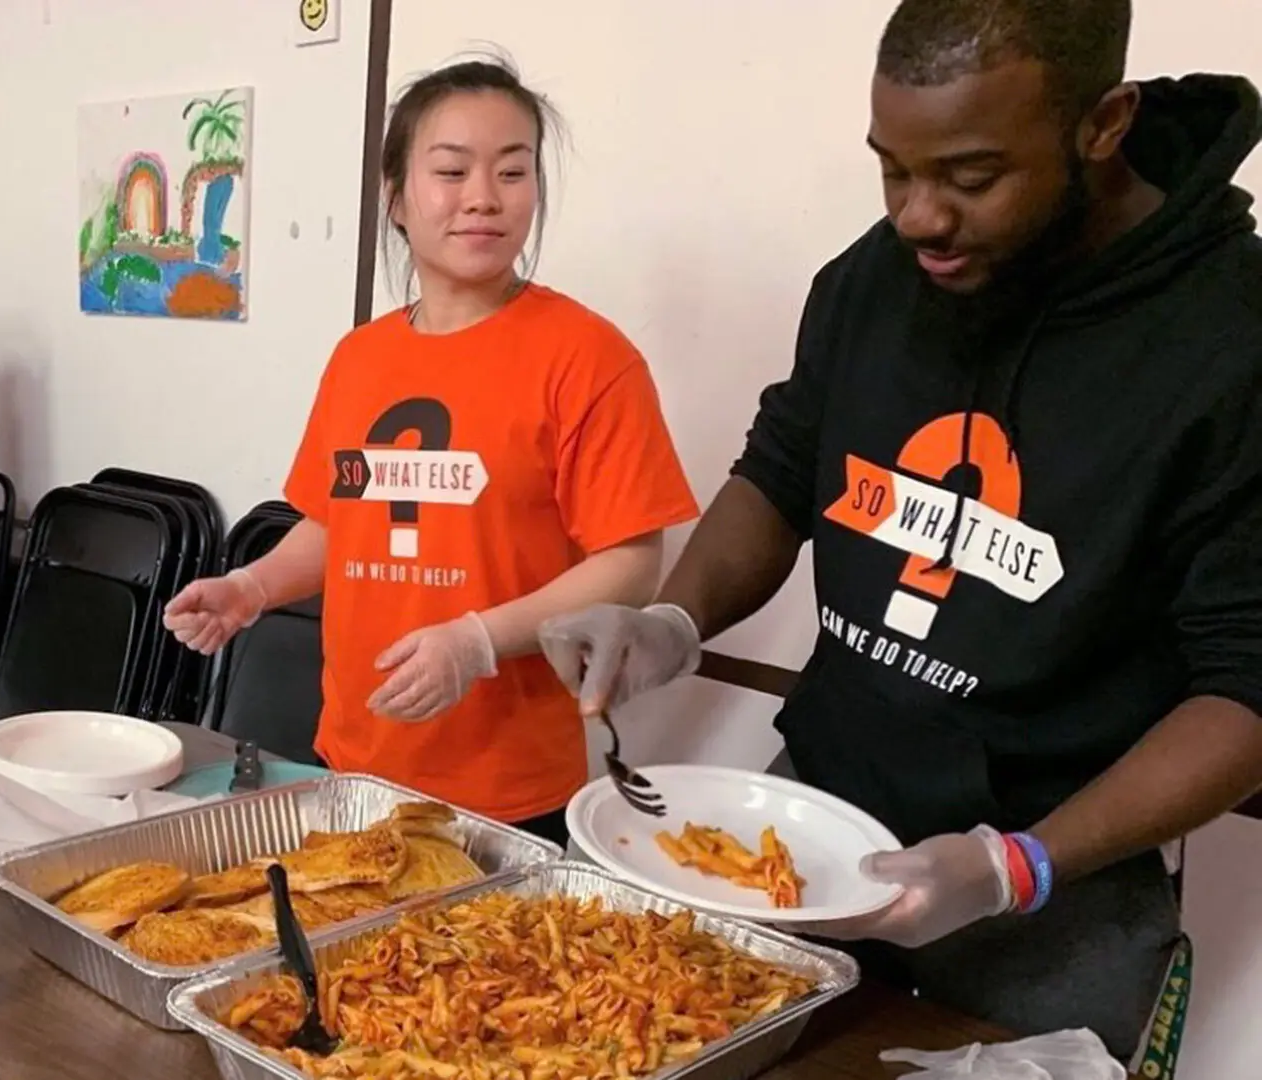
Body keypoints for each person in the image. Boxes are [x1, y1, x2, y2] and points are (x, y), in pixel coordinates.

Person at [539, 0, 1261, 1060]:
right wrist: (672, 619)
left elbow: (1246, 688)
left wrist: (1016, 865)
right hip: (807, 832)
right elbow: (783, 473)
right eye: (892, 169)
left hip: (1054, 894)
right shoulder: (873, 280)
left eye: (970, 178)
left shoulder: (1228, 342)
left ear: (1102, 123)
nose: (919, 216)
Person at [164, 58, 700, 844]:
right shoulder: (361, 359)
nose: (483, 196)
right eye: (452, 170)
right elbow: (339, 521)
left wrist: (477, 641)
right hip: (352, 762)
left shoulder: (587, 356)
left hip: (506, 790)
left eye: (513, 171)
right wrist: (253, 586)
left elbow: (629, 561)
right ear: (396, 199)